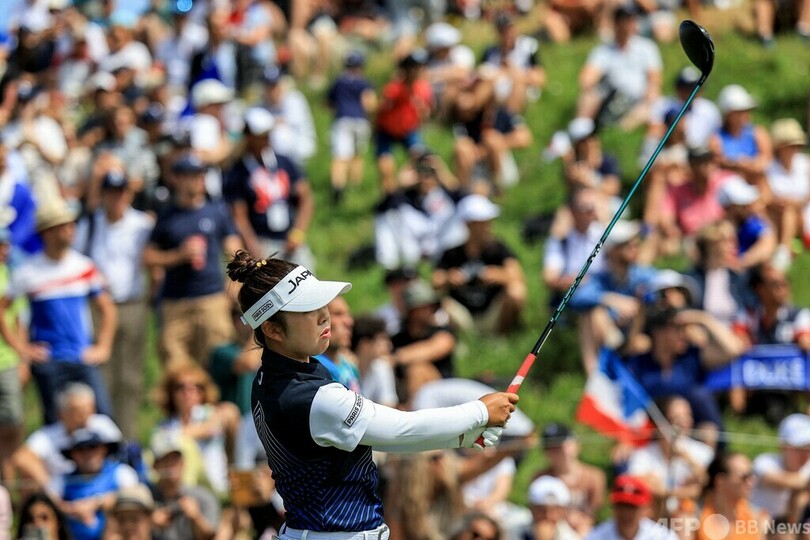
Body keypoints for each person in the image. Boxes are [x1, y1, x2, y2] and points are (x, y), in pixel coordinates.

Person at [226, 251, 517, 538]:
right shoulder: (310, 397)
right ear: (272, 329)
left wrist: (467, 435)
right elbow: (401, 430)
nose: (324, 315)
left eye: (322, 303)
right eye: (307, 310)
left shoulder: (272, 377)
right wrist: (479, 412)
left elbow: (393, 436)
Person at [0, 199, 116, 425]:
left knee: (102, 418)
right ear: (47, 233)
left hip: (82, 357)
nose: (70, 230)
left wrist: (103, 346)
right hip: (49, 361)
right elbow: (3, 309)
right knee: (56, 424)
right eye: (63, 226)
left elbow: (107, 308)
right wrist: (22, 349)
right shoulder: (28, 272)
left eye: (71, 225)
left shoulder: (83, 266)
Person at [73, 169, 154, 442]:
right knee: (102, 376)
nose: (116, 197)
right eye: (111, 192)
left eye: (121, 191)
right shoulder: (90, 224)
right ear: (104, 194)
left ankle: (128, 440)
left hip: (132, 303)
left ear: (128, 194)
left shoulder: (142, 224)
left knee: (129, 379)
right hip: (99, 306)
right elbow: (77, 261)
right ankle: (102, 439)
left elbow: (152, 258)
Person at [143, 153, 242, 369]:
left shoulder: (217, 210)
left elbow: (235, 249)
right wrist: (178, 255)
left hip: (211, 299)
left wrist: (233, 282)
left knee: (218, 361)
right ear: (176, 179)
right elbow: (148, 256)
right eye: (191, 175)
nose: (198, 180)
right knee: (174, 364)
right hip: (175, 302)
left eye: (200, 175)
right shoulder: (167, 215)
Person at [224, 107, 315, 269]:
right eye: (260, 136)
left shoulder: (284, 162)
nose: (265, 140)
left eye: (267, 134)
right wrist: (252, 246)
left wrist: (298, 232)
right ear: (249, 136)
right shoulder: (238, 172)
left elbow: (306, 198)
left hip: (290, 238)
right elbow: (239, 214)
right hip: (262, 241)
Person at [432, 194, 527, 335]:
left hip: (491, 313)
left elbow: (518, 277)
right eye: (481, 223)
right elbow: (435, 281)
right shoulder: (452, 253)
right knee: (437, 300)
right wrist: (449, 278)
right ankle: (458, 338)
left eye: (488, 222)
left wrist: (498, 275)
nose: (487, 227)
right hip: (463, 316)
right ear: (468, 224)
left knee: (516, 291)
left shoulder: (498, 249)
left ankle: (501, 337)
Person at [12, 382, 123, 498]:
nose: (84, 416)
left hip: (105, 491)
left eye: (89, 409)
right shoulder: (48, 436)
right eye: (77, 411)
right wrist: (49, 487)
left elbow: (120, 457)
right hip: (61, 494)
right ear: (61, 414)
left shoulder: (103, 425)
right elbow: (22, 458)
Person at [576, 6, 662, 130]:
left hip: (637, 100)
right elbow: (587, 77)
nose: (627, 24)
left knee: (653, 102)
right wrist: (591, 85)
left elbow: (654, 79)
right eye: (623, 20)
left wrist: (650, 94)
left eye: (630, 20)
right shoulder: (603, 50)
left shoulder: (647, 48)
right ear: (615, 23)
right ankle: (580, 130)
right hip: (610, 97)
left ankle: (618, 131)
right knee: (589, 96)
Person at [59, 427, 140, 540]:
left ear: (104, 449)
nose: (87, 453)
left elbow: (136, 498)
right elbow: (48, 503)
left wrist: (96, 504)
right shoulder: (62, 481)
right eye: (81, 449)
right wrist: (72, 510)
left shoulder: (122, 472)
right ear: (72, 454)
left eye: (92, 447)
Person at [534, 423, 605, 536]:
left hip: (583, 531)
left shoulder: (594, 477)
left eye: (560, 445)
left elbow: (593, 512)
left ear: (574, 444)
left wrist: (582, 522)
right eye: (551, 448)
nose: (557, 451)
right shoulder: (541, 479)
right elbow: (538, 514)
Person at [148, 430, 221, 540]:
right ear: (155, 466)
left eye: (175, 460)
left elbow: (211, 536)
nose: (171, 466)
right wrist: (148, 523)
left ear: (183, 464)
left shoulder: (203, 497)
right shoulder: (146, 498)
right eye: (165, 461)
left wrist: (196, 517)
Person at [327, 49, 376, 204]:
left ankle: (338, 185)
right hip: (361, 121)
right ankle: (355, 186)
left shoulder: (339, 81)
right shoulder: (365, 82)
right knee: (357, 155)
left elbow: (329, 102)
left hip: (342, 119)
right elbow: (369, 104)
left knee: (340, 156)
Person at [751, 413, 810, 521]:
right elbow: (778, 480)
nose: (805, 454)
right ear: (782, 446)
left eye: (808, 448)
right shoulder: (765, 462)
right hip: (758, 525)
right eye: (799, 448)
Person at [697, 452, 765, 540]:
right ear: (720, 481)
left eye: (751, 476)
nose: (750, 482)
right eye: (744, 477)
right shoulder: (694, 514)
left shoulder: (756, 517)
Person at [584, 475, 677, 540]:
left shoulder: (661, 536)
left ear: (644, 508)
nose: (625, 512)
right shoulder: (597, 536)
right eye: (621, 505)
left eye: (632, 507)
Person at [525, 475, 581, 540]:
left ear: (563, 511)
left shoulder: (571, 538)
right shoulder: (516, 532)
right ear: (532, 509)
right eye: (542, 510)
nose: (548, 516)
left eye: (555, 510)